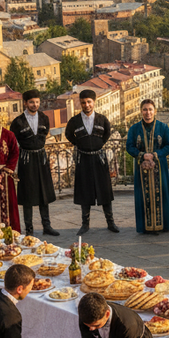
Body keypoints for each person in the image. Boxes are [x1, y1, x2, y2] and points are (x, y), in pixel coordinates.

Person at [65, 89, 117, 234]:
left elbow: (107, 133)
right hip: (83, 159)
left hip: (99, 159)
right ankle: (85, 224)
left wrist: (97, 144)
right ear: (80, 103)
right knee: (85, 192)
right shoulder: (74, 121)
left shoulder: (102, 119)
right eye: (83, 102)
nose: (86, 105)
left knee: (105, 191)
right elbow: (68, 135)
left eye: (89, 102)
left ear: (94, 102)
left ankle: (111, 223)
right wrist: (81, 144)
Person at [10, 89, 59, 236]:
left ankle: (47, 226)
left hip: (41, 158)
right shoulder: (17, 122)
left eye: (37, 102)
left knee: (44, 193)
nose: (35, 105)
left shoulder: (44, 118)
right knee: (28, 195)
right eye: (31, 102)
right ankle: (29, 229)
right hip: (26, 160)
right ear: (25, 103)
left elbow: (44, 135)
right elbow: (13, 142)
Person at [125, 99, 169, 234]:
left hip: (159, 166)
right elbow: (129, 146)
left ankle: (163, 225)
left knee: (162, 194)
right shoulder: (134, 129)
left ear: (155, 111)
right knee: (142, 196)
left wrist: (155, 154)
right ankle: (145, 226)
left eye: (150, 109)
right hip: (141, 168)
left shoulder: (163, 127)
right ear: (141, 111)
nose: (148, 112)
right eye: (145, 109)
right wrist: (142, 155)